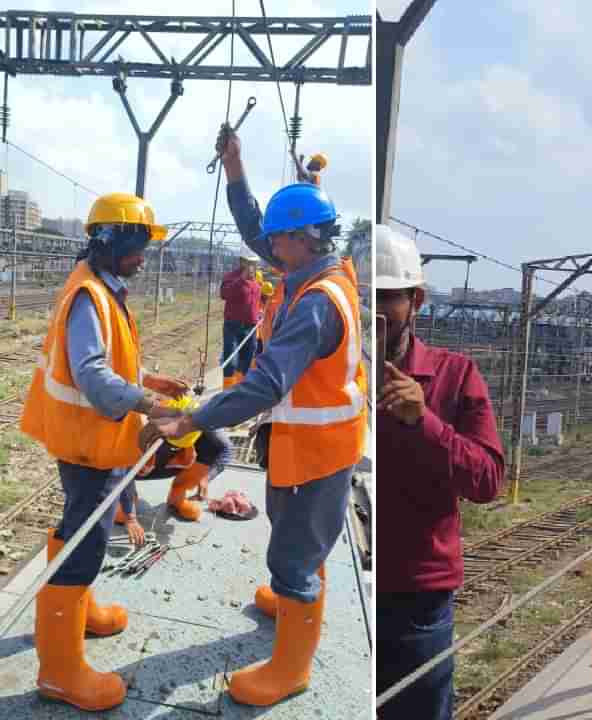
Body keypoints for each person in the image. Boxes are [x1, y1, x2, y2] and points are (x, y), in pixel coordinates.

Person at [145, 124, 366, 707]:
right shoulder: (318, 269)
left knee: (294, 550)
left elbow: (266, 384)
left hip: (317, 450)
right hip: (313, 441)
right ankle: (293, 596)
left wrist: (192, 417)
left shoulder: (316, 304)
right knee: (299, 541)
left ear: (300, 238)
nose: (266, 248)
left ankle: (290, 667)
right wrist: (236, 170)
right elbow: (252, 224)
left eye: (276, 240)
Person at [19, 192, 188, 711]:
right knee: (83, 541)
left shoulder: (104, 289)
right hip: (85, 442)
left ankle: (82, 613)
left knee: (80, 530)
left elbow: (108, 360)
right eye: (138, 245)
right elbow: (92, 375)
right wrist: (150, 403)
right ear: (111, 240)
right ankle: (60, 670)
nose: (144, 256)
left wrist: (147, 378)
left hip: (93, 439)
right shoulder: (89, 296)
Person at [373, 225, 506, 720]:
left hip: (415, 599)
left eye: (388, 297)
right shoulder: (340, 367)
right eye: (369, 297)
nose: (377, 311)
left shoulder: (454, 375)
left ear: (416, 301)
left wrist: (424, 421)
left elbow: (488, 479)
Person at [114, 395, 235, 531]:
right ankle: (125, 497)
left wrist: (206, 477)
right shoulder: (146, 425)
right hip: (133, 468)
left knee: (213, 447)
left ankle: (177, 498)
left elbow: (226, 450)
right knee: (121, 513)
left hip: (168, 464)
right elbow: (119, 464)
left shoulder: (203, 425)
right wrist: (129, 511)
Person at [219, 253, 261, 389]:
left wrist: (258, 313)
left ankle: (238, 390)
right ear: (242, 261)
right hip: (234, 326)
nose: (252, 266)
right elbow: (224, 294)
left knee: (247, 360)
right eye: (249, 262)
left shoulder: (257, 279)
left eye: (254, 263)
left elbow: (256, 298)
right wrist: (241, 280)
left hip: (251, 327)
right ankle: (227, 392)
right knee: (231, 361)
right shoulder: (231, 277)